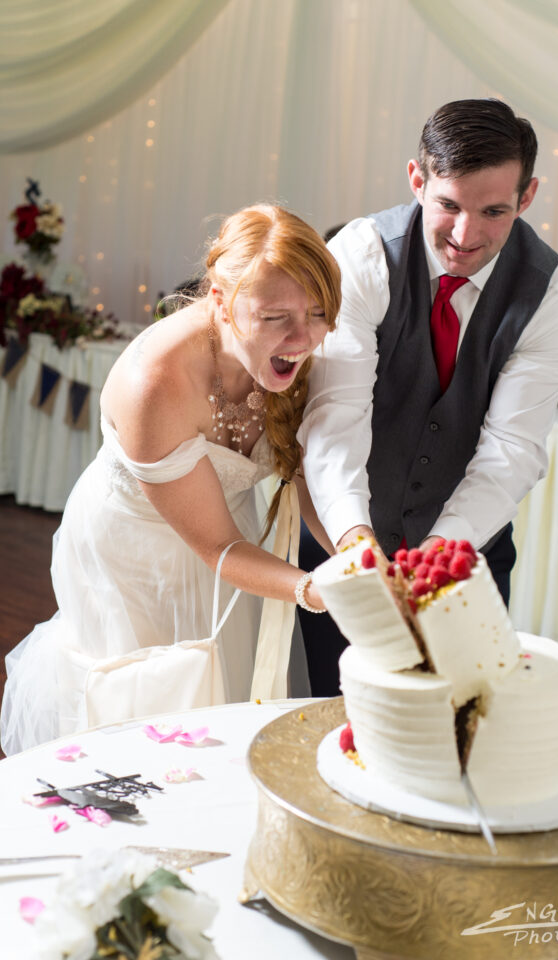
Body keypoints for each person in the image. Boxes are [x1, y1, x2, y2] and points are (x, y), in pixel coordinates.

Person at [0, 204, 340, 754]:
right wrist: (312, 589)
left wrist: (355, 559)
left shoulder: (298, 357)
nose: (303, 338)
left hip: (228, 537)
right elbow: (218, 547)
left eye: (318, 313)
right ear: (221, 303)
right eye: (276, 317)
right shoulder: (154, 383)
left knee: (219, 701)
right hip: (134, 557)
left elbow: (310, 488)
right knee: (142, 713)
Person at [297, 98, 558, 695]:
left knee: (461, 719)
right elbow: (335, 417)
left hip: (467, 551)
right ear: (417, 179)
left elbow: (511, 449)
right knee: (324, 711)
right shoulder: (361, 254)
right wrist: (355, 544)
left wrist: (434, 558)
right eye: (449, 205)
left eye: (494, 211)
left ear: (527, 197)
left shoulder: (554, 294)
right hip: (338, 535)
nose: (465, 235)